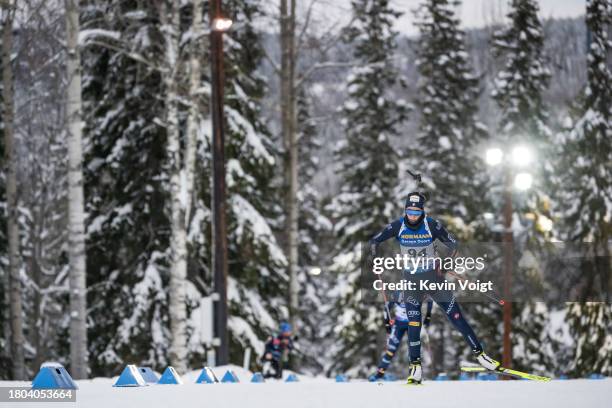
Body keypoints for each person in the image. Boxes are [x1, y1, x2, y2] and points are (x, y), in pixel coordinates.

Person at [369, 192, 500, 384]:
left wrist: (446, 264)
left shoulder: (431, 225)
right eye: (409, 211)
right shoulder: (399, 225)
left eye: (416, 212)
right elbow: (374, 241)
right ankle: (415, 369)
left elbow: (453, 244)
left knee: (456, 316)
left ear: (422, 211)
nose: (412, 216)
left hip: (434, 281)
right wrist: (374, 257)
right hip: (412, 283)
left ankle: (481, 355)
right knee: (414, 324)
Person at [368, 293, 433, 382]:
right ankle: (379, 374)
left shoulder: (418, 291)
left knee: (413, 349)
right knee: (391, 350)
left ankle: (414, 375)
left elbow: (430, 300)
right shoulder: (397, 293)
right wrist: (387, 324)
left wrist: (428, 317)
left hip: (413, 322)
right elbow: (386, 308)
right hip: (399, 324)